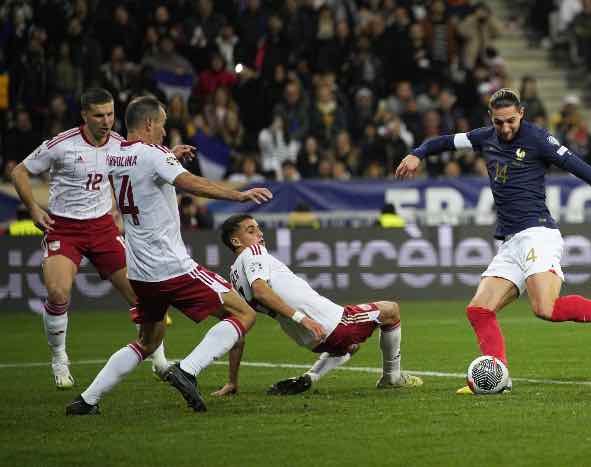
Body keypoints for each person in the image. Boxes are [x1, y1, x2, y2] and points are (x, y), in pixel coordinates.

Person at [395, 88, 591, 395]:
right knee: (479, 310)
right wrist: (416, 153)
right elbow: (443, 142)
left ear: (521, 113)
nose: (506, 128)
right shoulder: (484, 137)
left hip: (539, 234)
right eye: (499, 123)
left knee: (545, 308)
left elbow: (584, 170)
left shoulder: (539, 140)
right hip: (511, 241)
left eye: (511, 121)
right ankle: (499, 377)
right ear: (491, 119)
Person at [65, 96, 273, 415]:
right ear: (148, 124)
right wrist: (238, 194)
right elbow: (189, 183)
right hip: (172, 266)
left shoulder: (115, 156)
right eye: (162, 123)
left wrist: (169, 157)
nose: (164, 131)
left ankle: (86, 400)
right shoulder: (155, 155)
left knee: (148, 342)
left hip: (140, 272)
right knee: (244, 314)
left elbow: (144, 168)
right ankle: (187, 370)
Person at [10, 88, 178, 389]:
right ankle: (60, 358)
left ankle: (159, 360)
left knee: (145, 297)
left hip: (102, 228)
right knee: (58, 294)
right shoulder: (62, 145)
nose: (107, 121)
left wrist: (170, 158)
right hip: (64, 228)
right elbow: (19, 172)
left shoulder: (119, 144)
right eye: (99, 115)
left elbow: (142, 165)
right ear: (84, 116)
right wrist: (33, 208)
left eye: (111, 114)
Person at [211, 214, 423, 397]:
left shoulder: (234, 278)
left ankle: (310, 377)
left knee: (349, 347)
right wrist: (302, 318)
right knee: (391, 311)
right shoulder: (254, 252)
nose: (259, 233)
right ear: (236, 241)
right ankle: (392, 377)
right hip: (328, 322)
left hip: (308, 339)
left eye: (258, 228)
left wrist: (232, 380)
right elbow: (260, 290)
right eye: (251, 230)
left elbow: (238, 326)